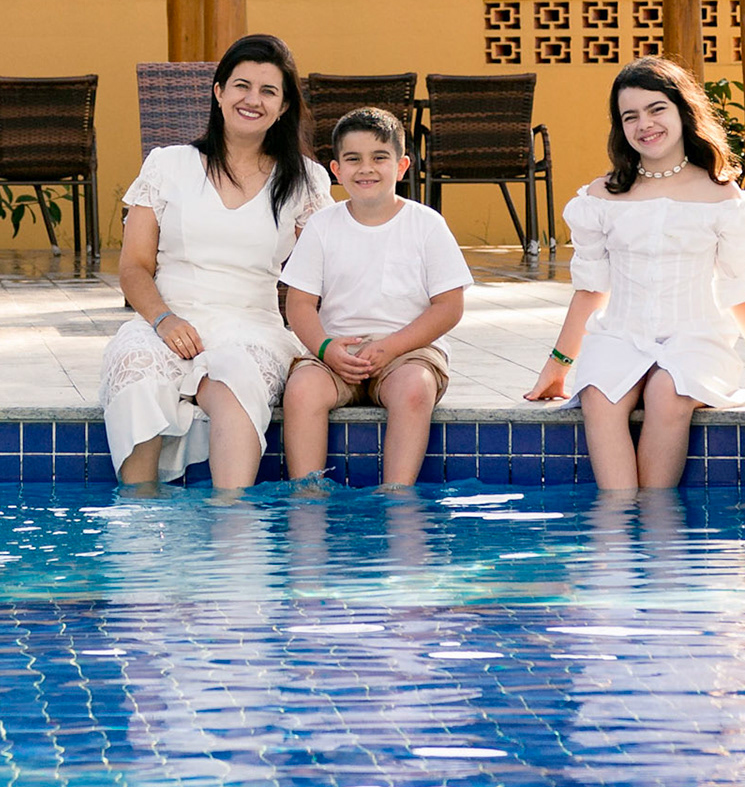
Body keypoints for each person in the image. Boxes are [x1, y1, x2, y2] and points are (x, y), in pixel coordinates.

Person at [524, 56, 745, 490]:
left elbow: (739, 290)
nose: (645, 124)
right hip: (620, 334)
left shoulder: (722, 194)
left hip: (697, 339)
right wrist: (558, 365)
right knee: (600, 396)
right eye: (630, 116)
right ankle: (616, 536)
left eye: (656, 109)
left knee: (668, 392)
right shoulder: (601, 197)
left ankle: (661, 538)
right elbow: (590, 290)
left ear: (682, 110)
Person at [100, 33, 333, 490]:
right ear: (219, 91)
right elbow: (134, 267)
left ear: (284, 107)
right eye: (241, 85)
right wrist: (163, 320)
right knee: (138, 374)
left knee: (235, 381)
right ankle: (140, 522)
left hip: (252, 323)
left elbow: (325, 275)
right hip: (165, 319)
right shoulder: (168, 165)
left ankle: (233, 531)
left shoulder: (304, 180)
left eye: (269, 91)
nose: (253, 100)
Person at [280, 107, 472, 487]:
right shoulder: (322, 226)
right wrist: (324, 347)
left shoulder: (426, 225)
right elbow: (299, 304)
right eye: (353, 159)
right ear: (336, 170)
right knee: (301, 391)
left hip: (407, 350)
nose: (365, 168)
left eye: (379, 158)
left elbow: (449, 306)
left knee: (415, 388)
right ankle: (308, 500)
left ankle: (396, 497)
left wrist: (392, 346)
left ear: (402, 166)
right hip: (336, 352)